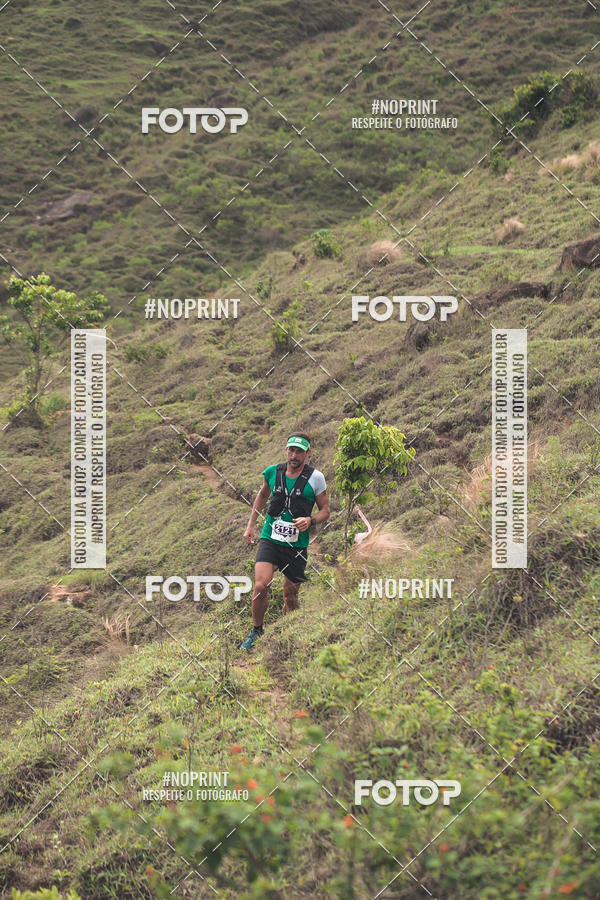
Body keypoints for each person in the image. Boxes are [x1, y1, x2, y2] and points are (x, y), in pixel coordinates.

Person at [240, 433, 330, 650]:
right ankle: (257, 632)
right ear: (285, 450)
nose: (294, 455)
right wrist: (251, 524)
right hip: (270, 538)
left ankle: (289, 632)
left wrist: (310, 520)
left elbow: (325, 510)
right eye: (291, 450)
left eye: (299, 451)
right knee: (261, 585)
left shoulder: (316, 478)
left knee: (290, 595)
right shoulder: (273, 472)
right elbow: (262, 496)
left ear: (308, 453)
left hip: (296, 545)